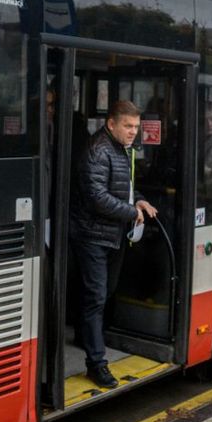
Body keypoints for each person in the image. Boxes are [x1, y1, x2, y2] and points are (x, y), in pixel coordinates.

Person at [69, 100, 158, 388]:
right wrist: (131, 212)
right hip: (92, 236)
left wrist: (139, 200)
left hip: (112, 235)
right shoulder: (98, 150)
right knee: (96, 296)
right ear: (111, 124)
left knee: (103, 293)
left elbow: (124, 187)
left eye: (136, 127)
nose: (133, 132)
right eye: (127, 126)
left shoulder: (120, 148)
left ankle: (86, 335)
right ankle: (97, 364)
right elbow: (97, 197)